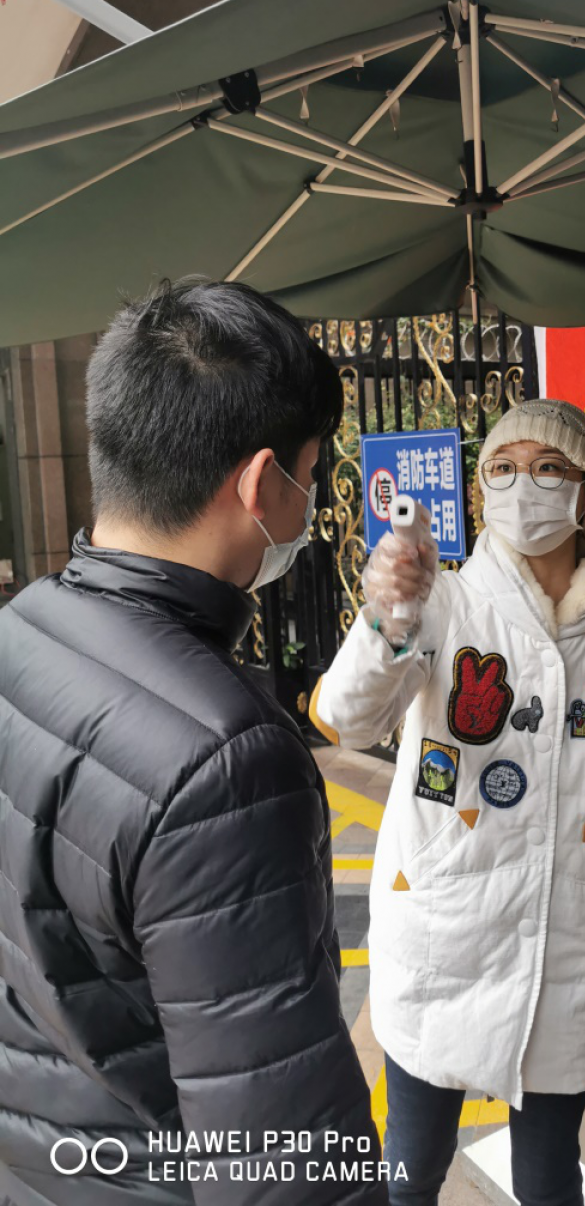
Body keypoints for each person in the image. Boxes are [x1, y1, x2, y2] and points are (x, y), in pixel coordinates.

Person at [314, 399, 585, 1206]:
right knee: (411, 1172)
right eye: (504, 468)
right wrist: (385, 618)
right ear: (480, 489)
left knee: (551, 1182)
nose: (525, 486)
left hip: (569, 942)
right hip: (444, 927)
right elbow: (348, 719)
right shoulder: (443, 603)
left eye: (549, 467)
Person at [0, 281, 384, 1206]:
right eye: (310, 472)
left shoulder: (22, 628)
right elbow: (281, 1157)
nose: (308, 505)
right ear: (260, 484)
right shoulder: (226, 760)